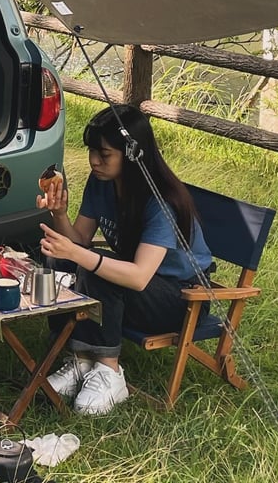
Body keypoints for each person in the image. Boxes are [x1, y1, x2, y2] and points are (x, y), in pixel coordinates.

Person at [36, 104, 212, 416]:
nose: (94, 160)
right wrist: (58, 215)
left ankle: (109, 371)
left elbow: (139, 277)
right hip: (138, 287)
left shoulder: (161, 201)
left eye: (104, 154)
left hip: (181, 297)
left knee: (92, 268)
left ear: (132, 155)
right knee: (58, 257)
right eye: (92, 150)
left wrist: (80, 254)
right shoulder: (101, 182)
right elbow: (80, 240)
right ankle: (81, 361)